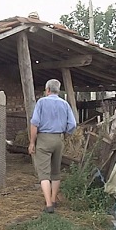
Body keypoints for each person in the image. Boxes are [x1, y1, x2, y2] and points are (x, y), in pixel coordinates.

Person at [28, 79, 77, 213]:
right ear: (58, 90)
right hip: (58, 139)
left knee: (44, 173)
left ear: (47, 90)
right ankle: (54, 199)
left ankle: (48, 204)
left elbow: (35, 123)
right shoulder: (65, 104)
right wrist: (65, 134)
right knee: (56, 172)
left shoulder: (42, 102)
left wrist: (32, 142)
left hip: (44, 139)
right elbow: (72, 125)